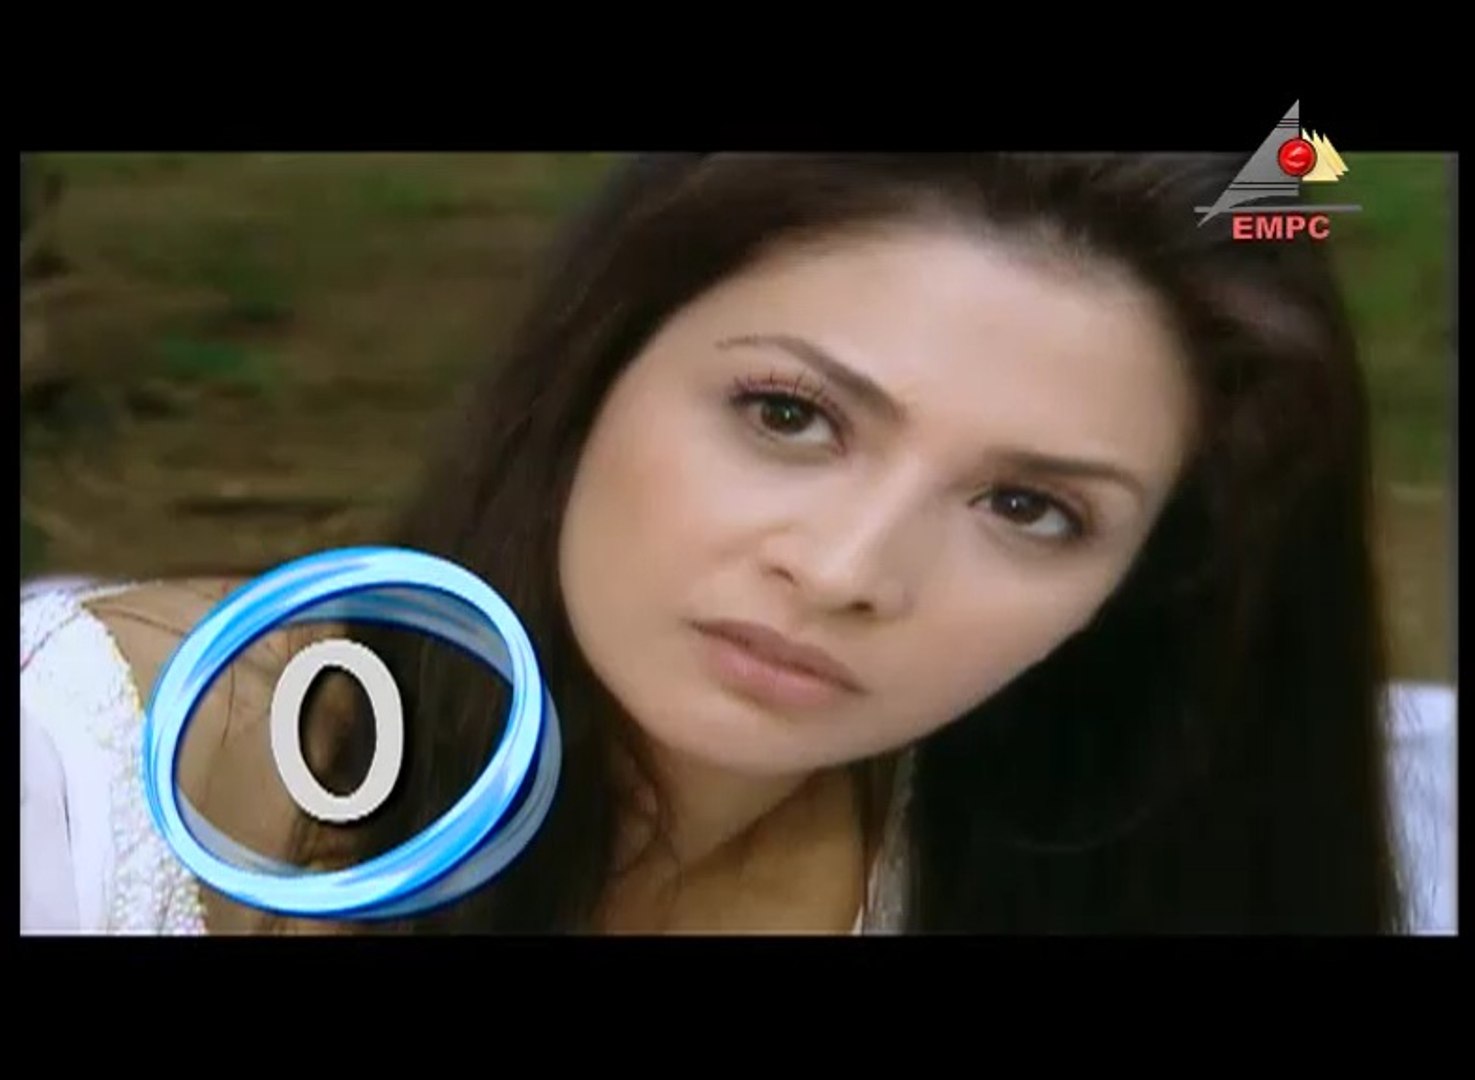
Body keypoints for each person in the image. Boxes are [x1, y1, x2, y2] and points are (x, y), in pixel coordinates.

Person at [19, 153, 1456, 935]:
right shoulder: (85, 783)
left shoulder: (1123, 857)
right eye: (788, 414)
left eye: (1029, 508)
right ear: (602, 362)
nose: (844, 572)